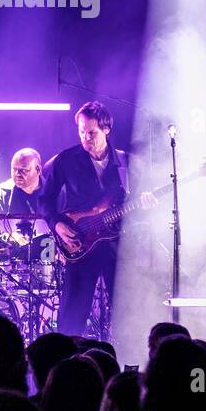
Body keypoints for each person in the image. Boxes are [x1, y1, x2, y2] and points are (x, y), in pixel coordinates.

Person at [41, 101, 155, 336]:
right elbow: (45, 200)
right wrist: (58, 224)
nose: (86, 138)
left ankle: (127, 362)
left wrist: (146, 203)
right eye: (81, 132)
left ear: (107, 129)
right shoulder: (65, 160)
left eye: (91, 132)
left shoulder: (126, 162)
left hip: (117, 245)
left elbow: (137, 206)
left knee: (126, 311)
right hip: (80, 243)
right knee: (72, 316)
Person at [0, 148, 49, 281]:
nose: (17, 174)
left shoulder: (54, 191)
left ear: (38, 170)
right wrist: (8, 235)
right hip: (7, 255)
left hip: (46, 255)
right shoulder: (1, 192)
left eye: (24, 170)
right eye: (14, 169)